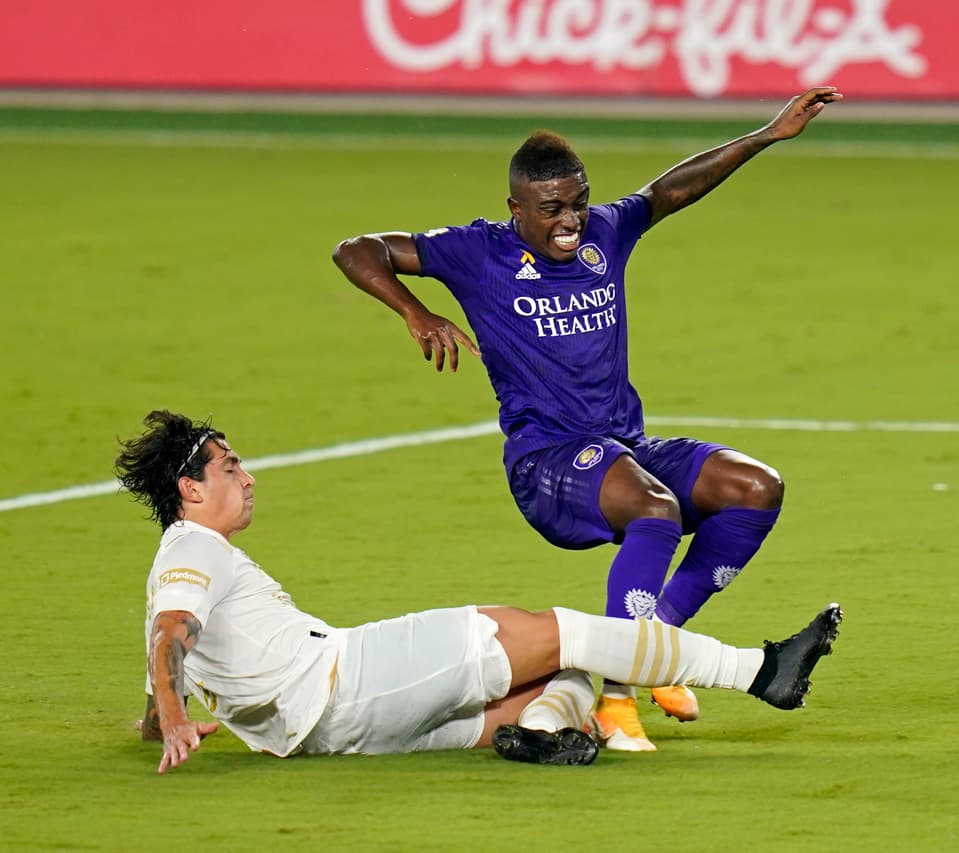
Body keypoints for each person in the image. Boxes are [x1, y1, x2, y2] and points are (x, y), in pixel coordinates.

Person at [332, 87, 843, 750]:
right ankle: (617, 696)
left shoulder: (605, 231)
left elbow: (670, 192)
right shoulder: (475, 252)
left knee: (755, 487)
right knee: (654, 508)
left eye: (577, 201)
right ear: (517, 209)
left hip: (621, 447)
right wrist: (414, 311)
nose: (571, 219)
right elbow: (356, 248)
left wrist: (766, 135)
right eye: (552, 209)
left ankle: (652, 640)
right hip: (546, 462)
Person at [116, 410, 842, 773]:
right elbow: (171, 633)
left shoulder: (176, 560)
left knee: (554, 682)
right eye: (231, 467)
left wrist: (158, 719)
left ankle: (545, 731)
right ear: (191, 487)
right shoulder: (195, 546)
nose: (247, 478)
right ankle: (761, 670)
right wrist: (179, 719)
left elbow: (176, 636)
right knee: (559, 629)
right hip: (346, 677)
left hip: (324, 736)